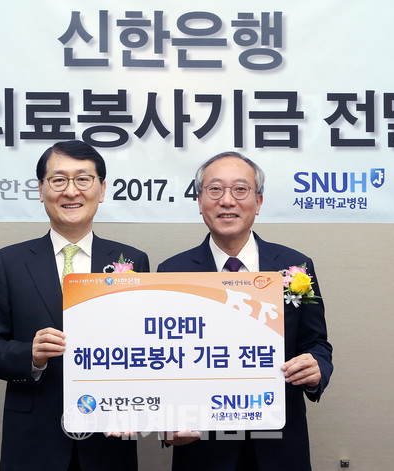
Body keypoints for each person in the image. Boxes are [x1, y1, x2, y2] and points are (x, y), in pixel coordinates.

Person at [0, 140, 150, 471]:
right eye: (58, 180)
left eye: (83, 179)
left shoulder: (132, 261)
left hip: (107, 440)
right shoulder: (9, 262)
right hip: (34, 442)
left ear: (102, 189)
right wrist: (31, 356)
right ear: (41, 190)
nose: (71, 191)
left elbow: (146, 347)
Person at [157, 151, 333, 471]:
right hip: (203, 450)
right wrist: (167, 426)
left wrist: (316, 368)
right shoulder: (172, 271)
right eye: (215, 189)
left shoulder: (294, 266)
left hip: (280, 447)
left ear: (258, 201)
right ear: (200, 202)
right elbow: (161, 358)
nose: (227, 201)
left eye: (240, 189)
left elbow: (317, 343)